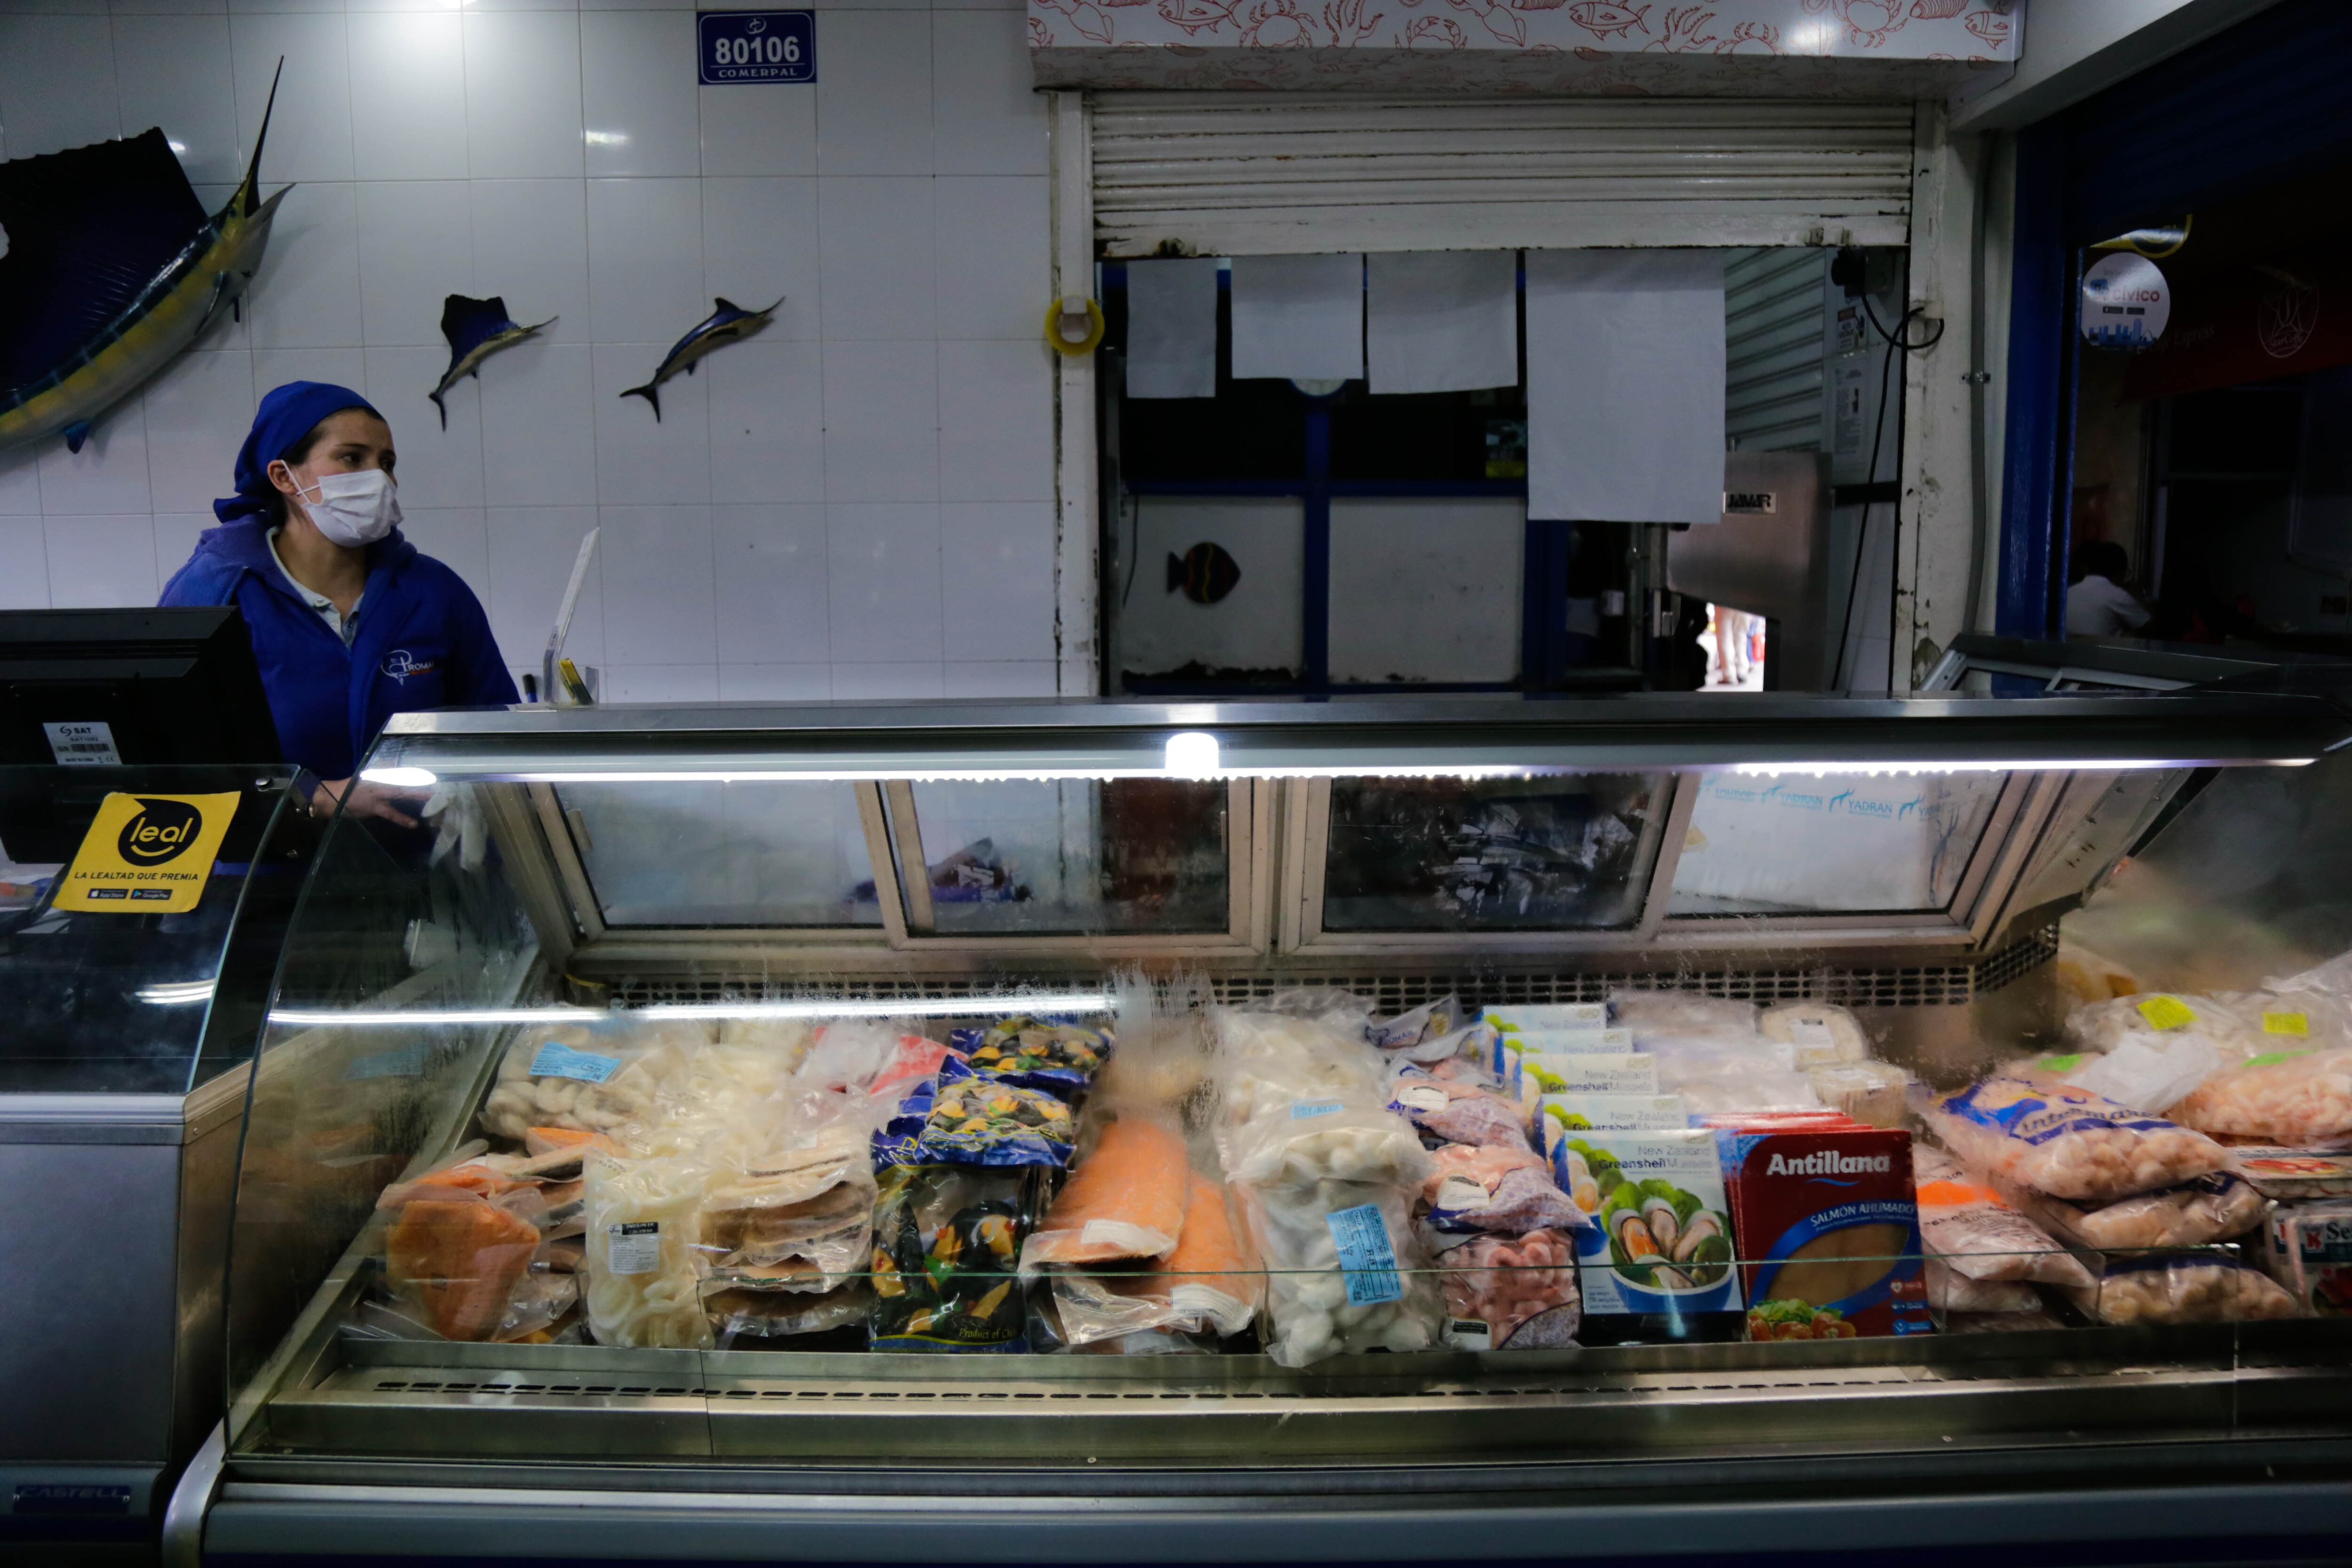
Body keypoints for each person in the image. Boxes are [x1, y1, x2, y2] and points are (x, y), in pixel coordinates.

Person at [160, 381, 518, 823]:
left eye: (386, 463)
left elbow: (495, 725)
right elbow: (174, 760)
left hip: (420, 871)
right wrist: (310, 797)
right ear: (283, 476)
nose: (379, 478)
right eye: (352, 458)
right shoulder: (214, 595)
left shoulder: (433, 590)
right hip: (269, 875)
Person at [2063, 540, 2151, 639]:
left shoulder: (2068, 593)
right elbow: (2150, 631)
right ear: (2119, 573)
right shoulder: (2118, 596)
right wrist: (2137, 597)